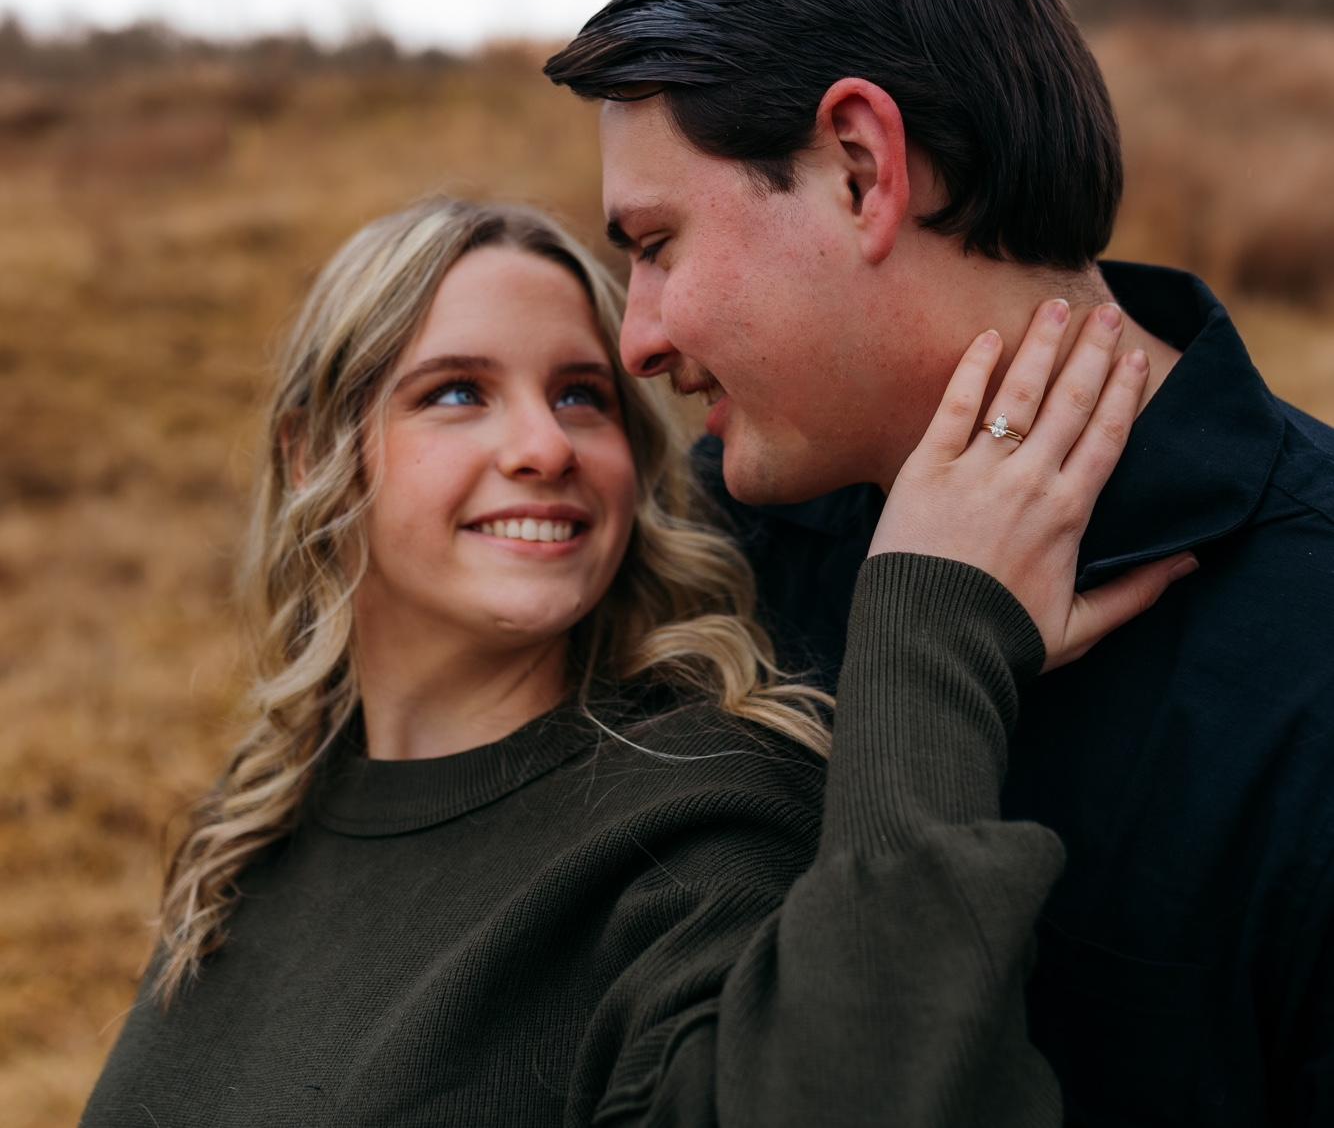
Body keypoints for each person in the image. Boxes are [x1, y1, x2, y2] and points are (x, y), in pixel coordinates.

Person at [82, 196, 1184, 1125]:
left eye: (583, 395)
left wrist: (932, 640)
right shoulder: (262, 815)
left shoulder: (697, 818)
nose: (545, 446)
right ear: (311, 451)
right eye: (457, 392)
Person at [543, 0, 1334, 1126]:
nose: (636, 338)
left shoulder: (1309, 647)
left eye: (658, 243)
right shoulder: (715, 551)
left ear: (861, 167)